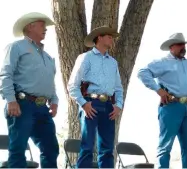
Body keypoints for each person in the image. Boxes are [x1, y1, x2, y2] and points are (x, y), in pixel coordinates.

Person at [0, 12, 59, 168]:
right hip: (22, 105)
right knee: (18, 149)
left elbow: (50, 82)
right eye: (42, 25)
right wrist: (11, 100)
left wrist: (54, 101)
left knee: (51, 148)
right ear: (30, 26)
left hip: (43, 108)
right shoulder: (16, 47)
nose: (45, 28)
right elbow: (5, 74)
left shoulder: (48, 57)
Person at [137, 33, 187, 168]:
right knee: (165, 146)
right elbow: (143, 72)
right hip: (171, 106)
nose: (183, 47)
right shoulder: (162, 63)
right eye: (180, 44)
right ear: (171, 47)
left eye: (184, 44)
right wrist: (158, 90)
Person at [67, 26, 123, 168]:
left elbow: (118, 87)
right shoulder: (85, 57)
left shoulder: (113, 62)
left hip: (108, 105)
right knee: (87, 146)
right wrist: (83, 104)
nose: (112, 39)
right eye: (109, 36)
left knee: (107, 148)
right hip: (90, 103)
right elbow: (72, 85)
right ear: (99, 38)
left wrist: (119, 105)